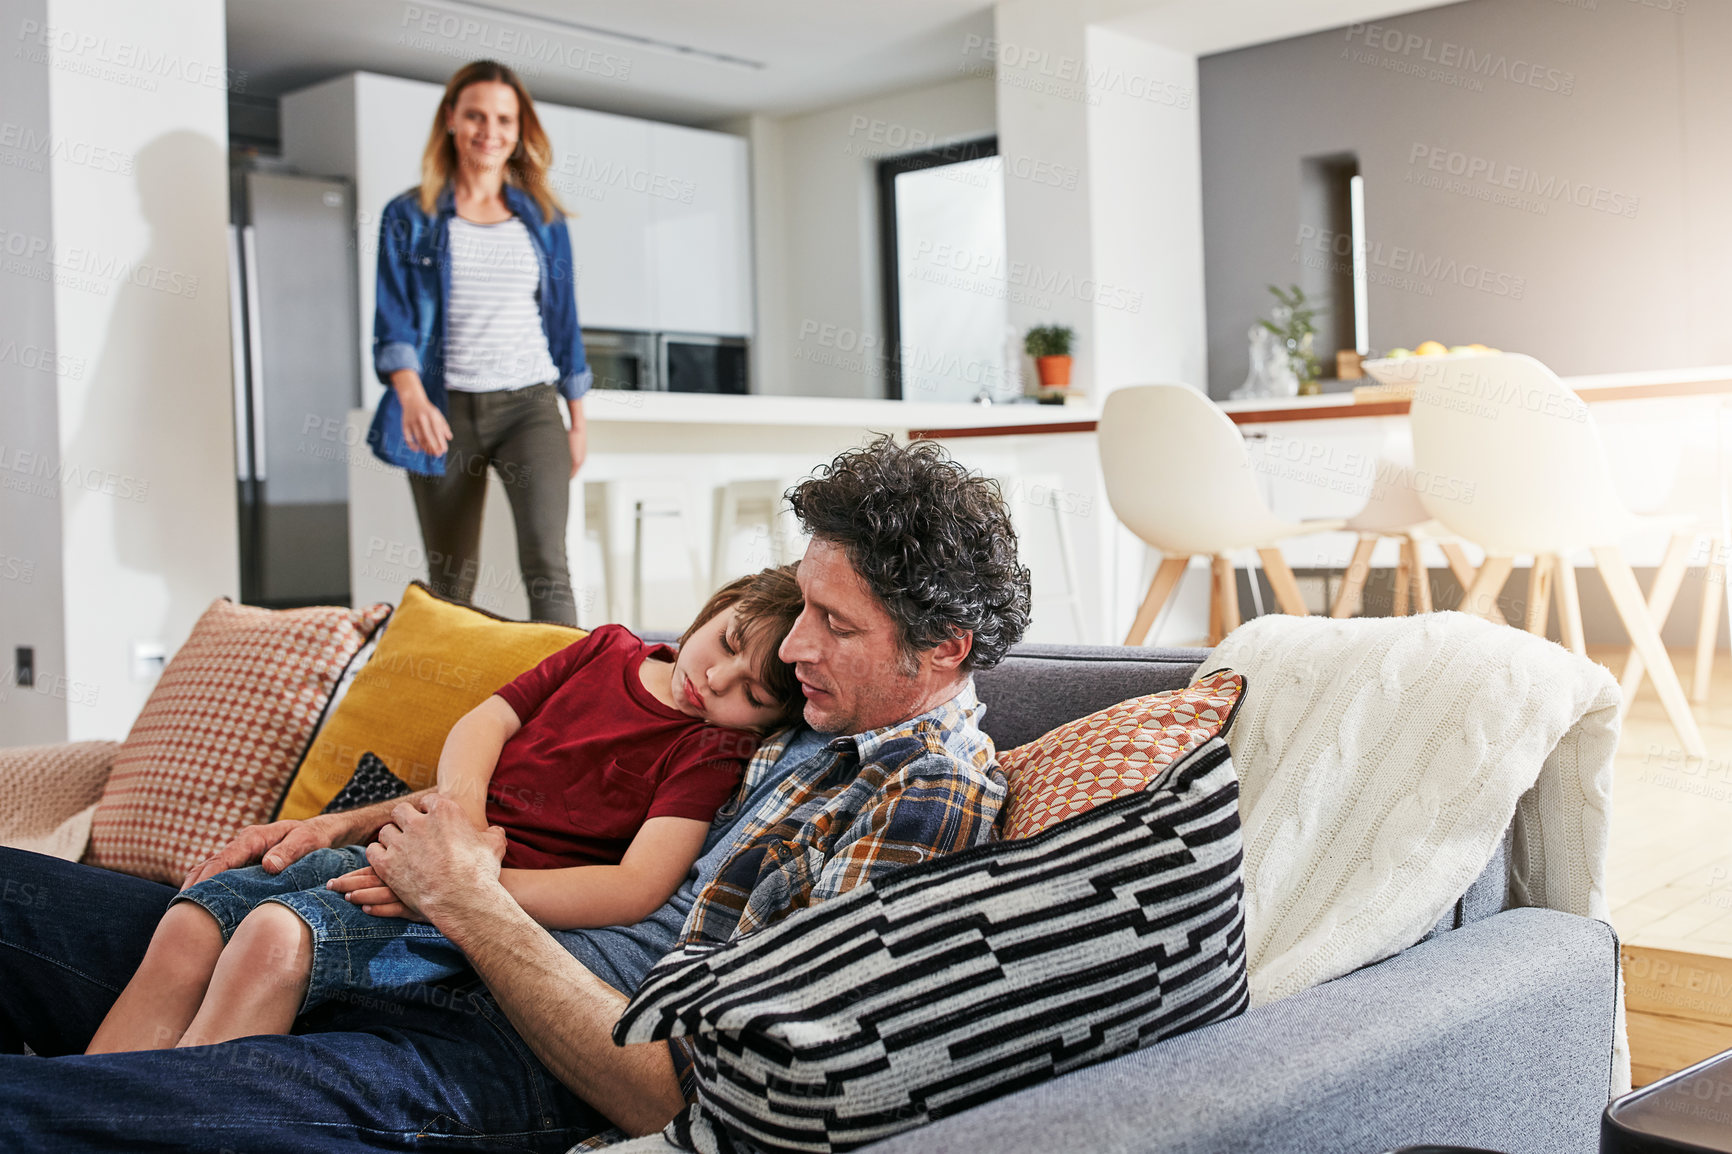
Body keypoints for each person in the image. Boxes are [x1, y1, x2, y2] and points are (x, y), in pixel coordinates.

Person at [0, 437, 1032, 1153]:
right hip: (420, 923)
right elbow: (551, 790)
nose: (794, 647)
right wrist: (360, 823)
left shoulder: (922, 791)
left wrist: (463, 894)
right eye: (799, 606)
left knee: (54, 1109)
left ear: (941, 648)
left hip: (512, 1044)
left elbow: (681, 1082)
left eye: (834, 625)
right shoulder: (808, 709)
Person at [84, 567, 806, 1054]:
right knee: (191, 919)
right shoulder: (605, 649)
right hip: (411, 853)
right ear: (712, 612)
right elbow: (484, 724)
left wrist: (457, 888)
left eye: (751, 693)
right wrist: (454, 825)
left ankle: (162, 1123)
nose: (715, 679)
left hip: (465, 916)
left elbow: (634, 888)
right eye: (727, 644)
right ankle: (80, 1119)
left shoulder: (710, 750)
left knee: (272, 938)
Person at [369, 59, 590, 625]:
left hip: (530, 408)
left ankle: (565, 708)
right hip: (443, 411)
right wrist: (411, 397)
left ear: (520, 131)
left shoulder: (543, 219)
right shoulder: (408, 215)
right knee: (449, 580)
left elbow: (563, 324)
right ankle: (459, 706)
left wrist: (577, 421)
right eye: (475, 115)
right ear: (450, 119)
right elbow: (392, 318)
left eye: (504, 119)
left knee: (548, 565)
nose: (490, 131)